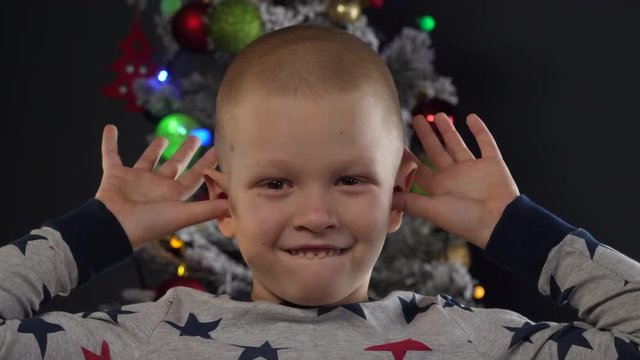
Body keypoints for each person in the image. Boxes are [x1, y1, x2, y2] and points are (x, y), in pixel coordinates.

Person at [1, 24, 638, 360]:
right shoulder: (152, 341)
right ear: (224, 203)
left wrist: (515, 226)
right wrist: (98, 231)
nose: (316, 214)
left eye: (352, 179)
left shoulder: (463, 340)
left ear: (397, 196)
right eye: (275, 183)